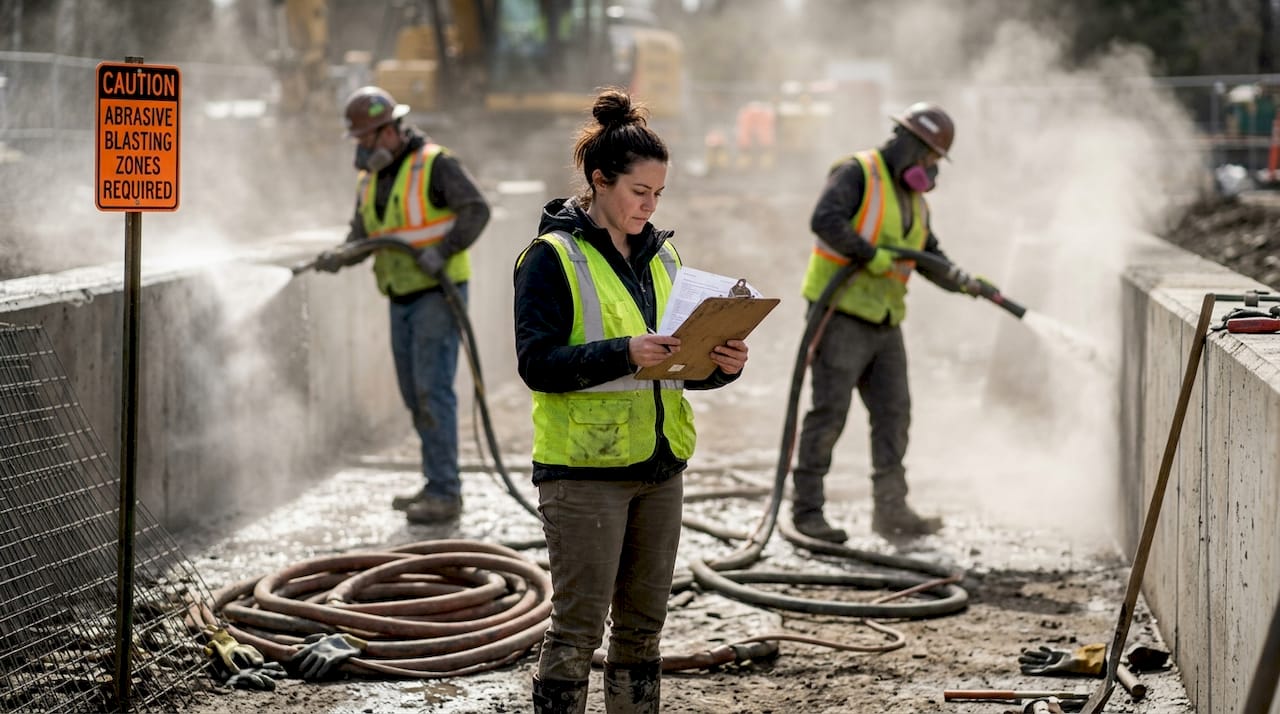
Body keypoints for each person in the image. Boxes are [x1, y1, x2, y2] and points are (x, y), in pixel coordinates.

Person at [513, 88, 749, 713]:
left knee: (643, 633)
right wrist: (624, 352)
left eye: (659, 194)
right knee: (576, 633)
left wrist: (719, 365)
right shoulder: (551, 259)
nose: (649, 205)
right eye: (639, 191)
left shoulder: (661, 255)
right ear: (599, 182)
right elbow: (536, 366)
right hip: (585, 475)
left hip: (659, 467)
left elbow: (671, 366)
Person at [791, 102, 986, 543]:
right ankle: (807, 512)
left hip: (884, 321)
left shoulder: (915, 201)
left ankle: (891, 511)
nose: (932, 168)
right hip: (839, 314)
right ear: (910, 145)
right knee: (829, 415)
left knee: (894, 415)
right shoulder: (858, 173)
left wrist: (963, 282)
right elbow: (824, 220)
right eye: (931, 156)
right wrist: (867, 253)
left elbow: (927, 255)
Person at [314, 86, 491, 525]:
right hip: (400, 295)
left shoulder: (435, 164)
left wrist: (444, 250)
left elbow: (476, 210)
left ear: (389, 130)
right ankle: (435, 482)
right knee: (415, 394)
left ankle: (446, 492)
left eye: (366, 138)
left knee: (433, 391)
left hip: (437, 292)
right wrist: (341, 254)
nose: (361, 147)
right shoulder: (370, 178)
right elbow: (364, 235)